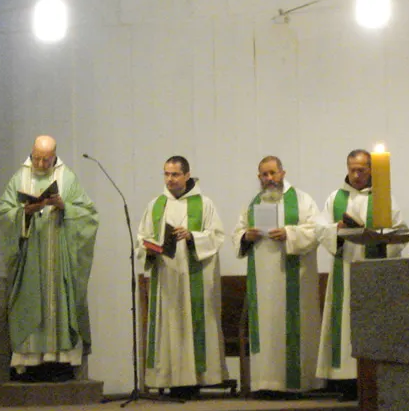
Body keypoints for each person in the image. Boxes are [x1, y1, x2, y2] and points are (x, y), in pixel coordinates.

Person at [0, 136, 99, 383]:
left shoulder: (67, 178)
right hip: (30, 258)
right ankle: (29, 364)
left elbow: (89, 215)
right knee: (28, 304)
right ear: (31, 153)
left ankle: (60, 362)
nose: (41, 164)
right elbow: (4, 214)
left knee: (60, 305)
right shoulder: (19, 178)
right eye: (37, 158)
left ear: (55, 156)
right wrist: (25, 212)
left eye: (46, 159)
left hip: (59, 258)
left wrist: (65, 207)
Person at [316, 149, 408, 399]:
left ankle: (372, 381)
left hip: (373, 272)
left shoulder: (383, 197)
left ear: (371, 169)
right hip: (344, 270)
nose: (356, 175)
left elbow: (399, 232)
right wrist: (337, 229)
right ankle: (345, 382)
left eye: (361, 170)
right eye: (352, 169)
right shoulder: (336, 198)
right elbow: (321, 230)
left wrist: (379, 239)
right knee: (344, 324)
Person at [231, 156, 321, 396]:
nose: (269, 179)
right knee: (266, 328)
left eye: (273, 173)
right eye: (264, 174)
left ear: (283, 173)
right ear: (258, 177)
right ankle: (266, 383)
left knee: (293, 327)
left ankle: (297, 383)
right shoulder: (252, 204)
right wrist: (245, 236)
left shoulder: (302, 201)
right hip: (262, 282)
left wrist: (289, 234)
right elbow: (237, 232)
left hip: (295, 278)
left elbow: (316, 231)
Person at [137, 156, 227, 398]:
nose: (170, 179)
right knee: (169, 328)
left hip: (193, 278)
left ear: (187, 175)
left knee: (192, 324)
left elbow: (217, 236)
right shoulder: (156, 205)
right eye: (166, 174)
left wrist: (192, 236)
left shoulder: (204, 204)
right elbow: (142, 237)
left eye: (175, 174)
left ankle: (194, 380)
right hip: (165, 279)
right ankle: (168, 378)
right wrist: (149, 248)